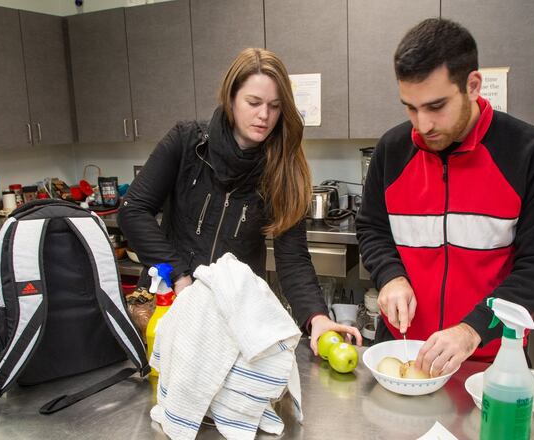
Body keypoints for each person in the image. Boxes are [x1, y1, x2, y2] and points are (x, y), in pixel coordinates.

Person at [356, 18, 534, 375]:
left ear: (472, 85)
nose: (422, 125)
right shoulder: (391, 150)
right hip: (402, 353)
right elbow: (372, 228)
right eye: (410, 107)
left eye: (436, 106)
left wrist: (473, 330)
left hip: (490, 362)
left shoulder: (533, 155)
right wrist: (390, 275)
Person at [119, 48, 361, 353]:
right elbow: (133, 211)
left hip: (235, 319)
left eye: (275, 106)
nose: (264, 115)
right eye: (254, 103)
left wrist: (317, 318)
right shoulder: (186, 142)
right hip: (171, 304)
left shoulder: (283, 168)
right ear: (231, 98)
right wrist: (179, 274)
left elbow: (293, 260)